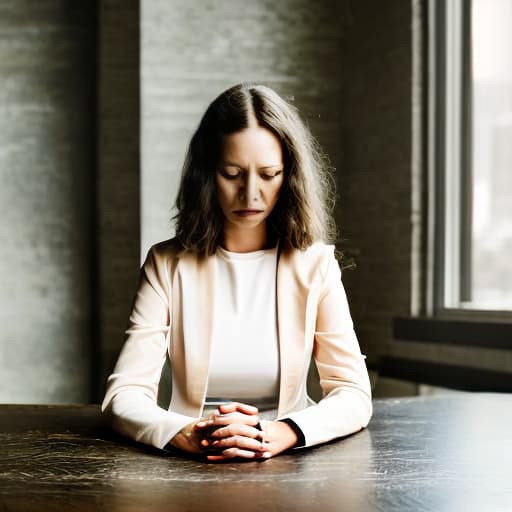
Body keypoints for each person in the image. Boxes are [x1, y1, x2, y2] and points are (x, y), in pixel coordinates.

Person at [101, 82, 372, 462]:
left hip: (289, 463)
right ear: (207, 176)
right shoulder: (166, 264)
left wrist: (284, 432)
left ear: (289, 176)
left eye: (269, 174)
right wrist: (185, 433)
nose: (251, 194)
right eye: (232, 174)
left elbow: (353, 393)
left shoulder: (316, 265)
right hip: (191, 461)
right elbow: (123, 395)